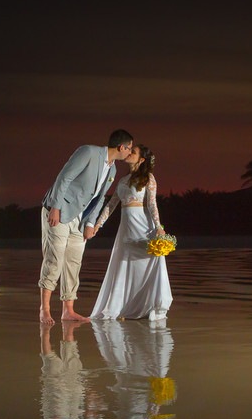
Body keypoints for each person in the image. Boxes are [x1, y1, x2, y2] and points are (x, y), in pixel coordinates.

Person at [39, 129, 134, 324]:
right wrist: (55, 207)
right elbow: (63, 178)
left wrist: (90, 223)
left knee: (74, 262)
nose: (130, 153)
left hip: (81, 218)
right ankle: (45, 309)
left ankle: (68, 310)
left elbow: (100, 199)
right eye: (130, 148)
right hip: (60, 209)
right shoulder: (89, 152)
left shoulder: (113, 169)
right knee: (54, 258)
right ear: (121, 147)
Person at [89, 144, 173, 321]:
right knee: (125, 264)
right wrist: (98, 225)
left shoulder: (148, 178)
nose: (129, 153)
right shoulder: (122, 181)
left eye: (133, 152)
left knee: (148, 263)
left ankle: (151, 305)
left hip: (144, 227)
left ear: (141, 160)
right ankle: (124, 306)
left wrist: (158, 226)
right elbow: (111, 204)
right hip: (127, 228)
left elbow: (152, 204)